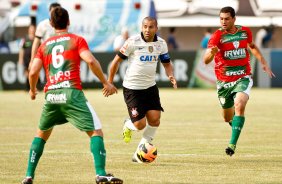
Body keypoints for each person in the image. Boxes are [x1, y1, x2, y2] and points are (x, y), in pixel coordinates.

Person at [21, 7, 123, 184]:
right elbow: (90, 60)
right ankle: (100, 173)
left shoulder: (44, 46)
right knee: (95, 132)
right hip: (72, 94)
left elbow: (33, 72)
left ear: (51, 24)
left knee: (41, 135)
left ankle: (29, 176)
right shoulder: (76, 40)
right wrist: (106, 82)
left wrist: (32, 89)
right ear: (69, 22)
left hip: (51, 96)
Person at [203, 6, 275, 156]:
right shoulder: (216, 36)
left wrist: (262, 61)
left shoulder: (245, 31)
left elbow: (252, 46)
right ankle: (235, 124)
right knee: (227, 117)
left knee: (239, 104)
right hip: (224, 82)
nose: (223, 21)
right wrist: (212, 53)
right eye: (221, 19)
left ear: (234, 19)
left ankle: (232, 145)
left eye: (227, 19)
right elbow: (206, 60)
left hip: (243, 76)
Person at [108, 16, 177, 163]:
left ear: (156, 28)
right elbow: (115, 62)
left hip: (150, 87)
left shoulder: (161, 44)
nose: (147, 30)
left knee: (155, 120)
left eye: (151, 27)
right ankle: (128, 124)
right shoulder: (132, 41)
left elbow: (166, 63)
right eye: (145, 26)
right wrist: (109, 82)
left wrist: (171, 75)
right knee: (140, 125)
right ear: (141, 27)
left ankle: (139, 153)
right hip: (132, 88)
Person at [29, 3, 61, 67]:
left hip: (61, 55)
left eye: (58, 12)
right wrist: (32, 60)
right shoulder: (43, 25)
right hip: (47, 56)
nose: (55, 14)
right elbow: (36, 43)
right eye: (53, 12)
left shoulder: (63, 24)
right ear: (49, 12)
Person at [18, 24, 36, 91]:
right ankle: (28, 87)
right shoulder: (25, 39)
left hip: (34, 59)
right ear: (29, 30)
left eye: (33, 29)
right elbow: (21, 49)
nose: (32, 30)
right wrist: (20, 59)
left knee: (34, 73)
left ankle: (34, 87)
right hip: (26, 59)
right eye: (31, 29)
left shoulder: (36, 39)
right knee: (27, 73)